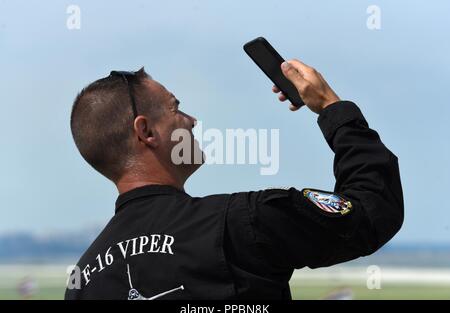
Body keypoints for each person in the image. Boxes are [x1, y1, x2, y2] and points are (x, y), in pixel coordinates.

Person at [65, 59, 403, 300]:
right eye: (175, 108)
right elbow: (372, 211)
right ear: (146, 131)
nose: (192, 121)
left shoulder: (82, 282)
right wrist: (332, 107)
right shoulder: (239, 223)